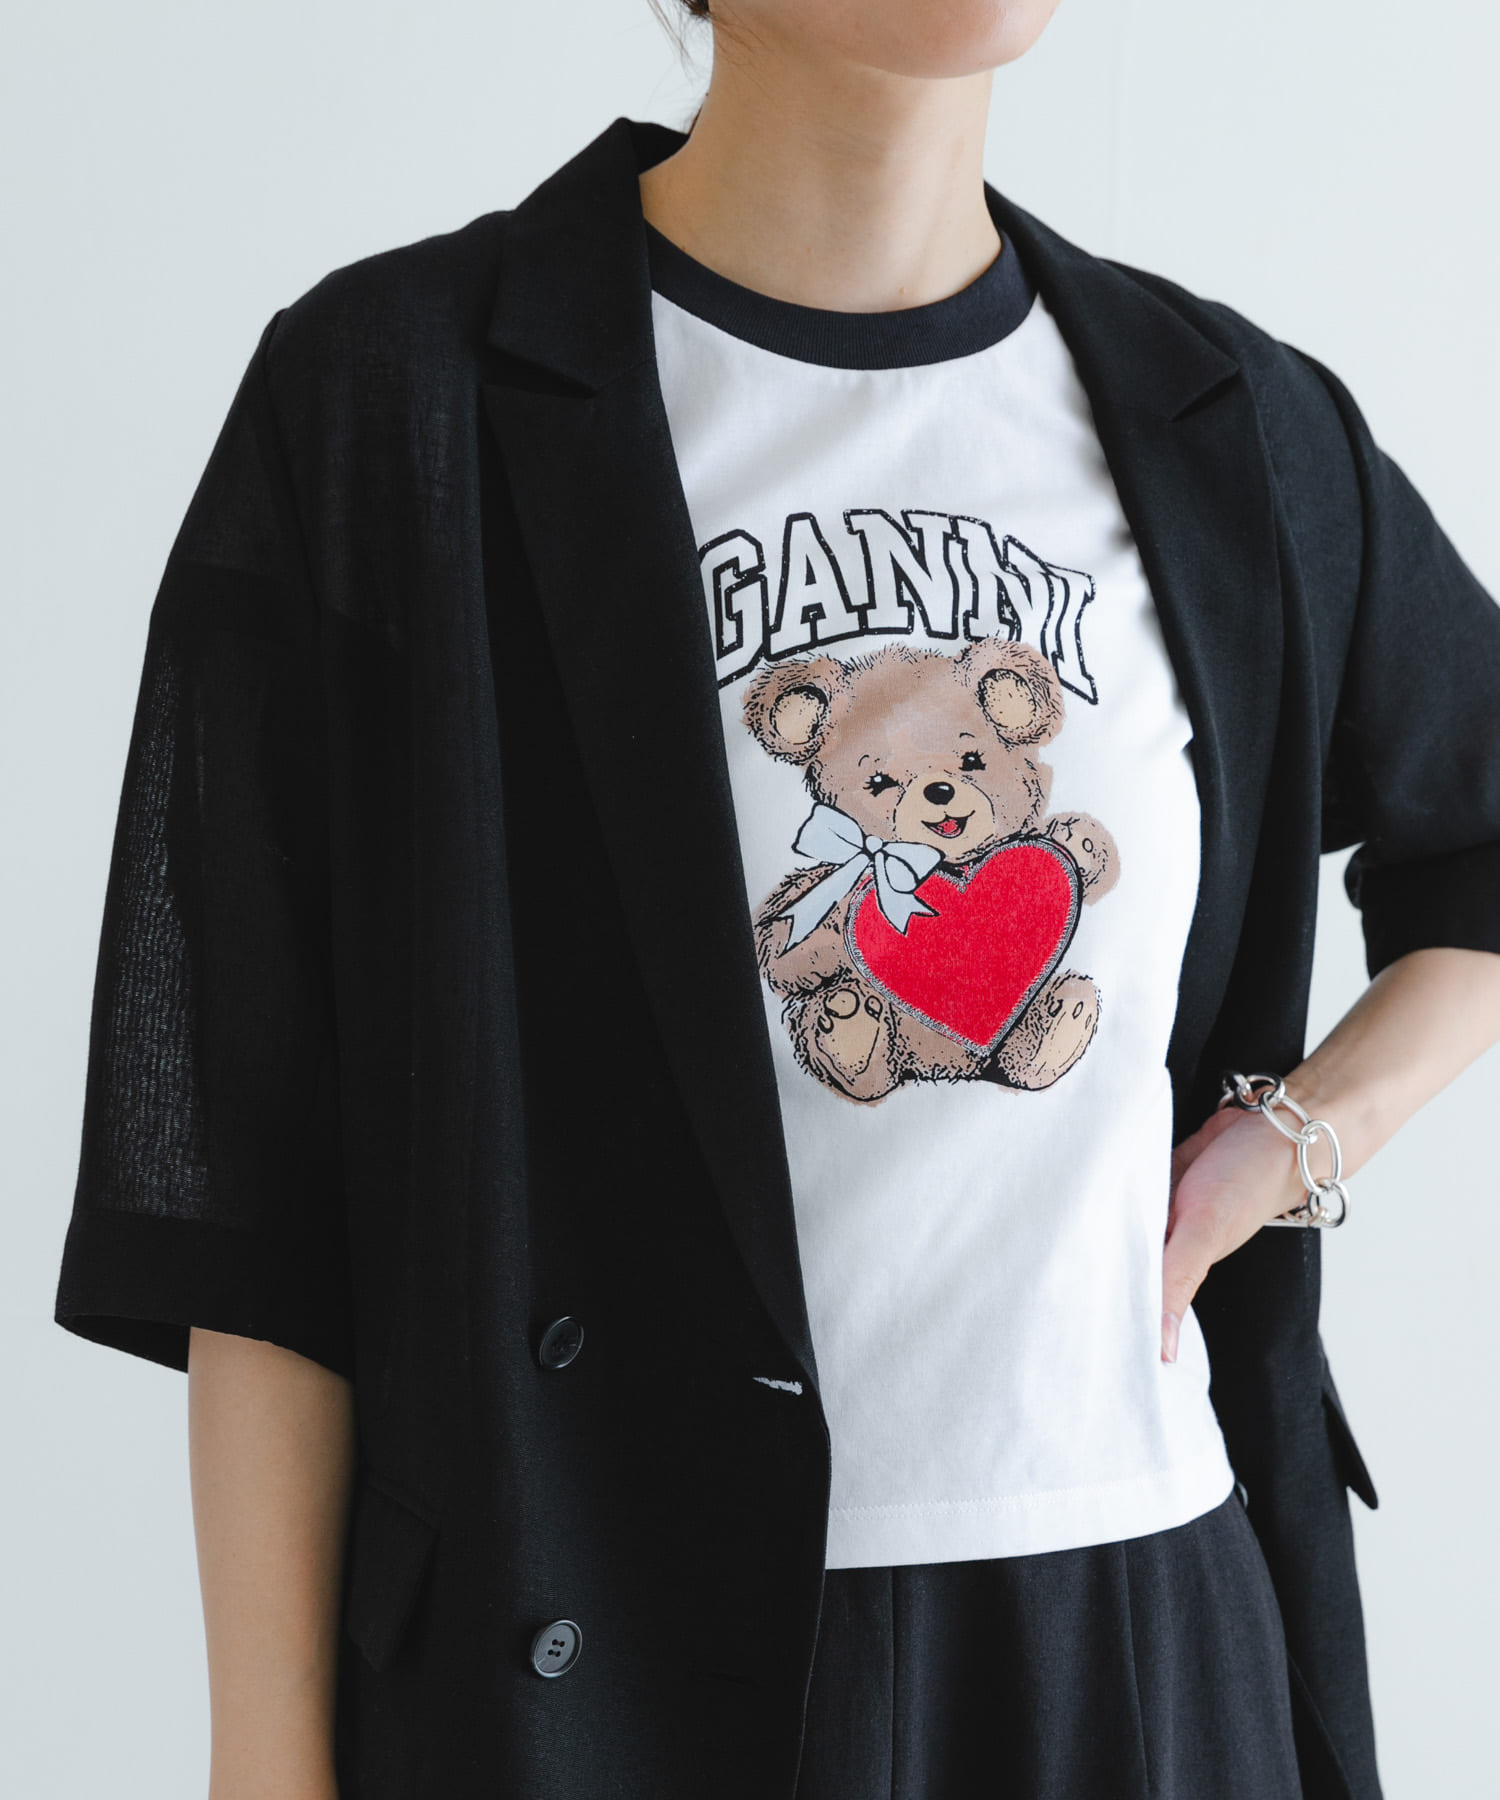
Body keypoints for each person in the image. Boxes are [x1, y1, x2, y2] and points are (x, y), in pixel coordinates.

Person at [54, 2, 1500, 1797]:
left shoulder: (1233, 425)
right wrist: (266, 1762)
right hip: (605, 1653)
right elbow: (255, 1198)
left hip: (1138, 1634)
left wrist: (1286, 1141)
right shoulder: (387, 404)